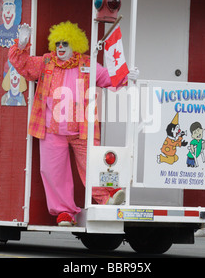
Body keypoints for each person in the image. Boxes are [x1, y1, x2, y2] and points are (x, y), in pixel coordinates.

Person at [8, 21, 139, 226]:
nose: (60, 47)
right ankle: (65, 213)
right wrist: (21, 46)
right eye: (58, 43)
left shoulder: (88, 64)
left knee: (93, 163)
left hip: (82, 129)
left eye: (65, 44)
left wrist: (126, 77)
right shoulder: (46, 62)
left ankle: (108, 197)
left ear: (75, 46)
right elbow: (23, 66)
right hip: (51, 129)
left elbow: (108, 78)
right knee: (53, 171)